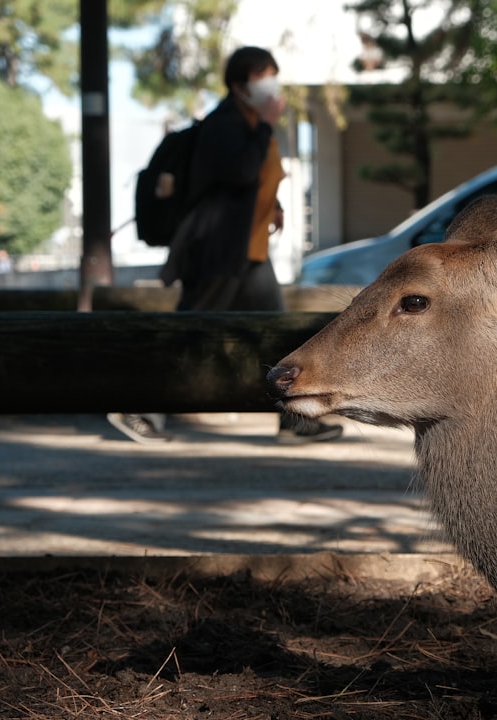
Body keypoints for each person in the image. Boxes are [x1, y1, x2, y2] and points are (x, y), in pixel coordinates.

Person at [110, 46, 341, 445]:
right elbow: (241, 171)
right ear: (239, 86)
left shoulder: (249, 123)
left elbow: (256, 180)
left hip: (249, 253)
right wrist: (266, 124)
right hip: (217, 252)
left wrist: (274, 206)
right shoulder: (224, 125)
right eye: (261, 76)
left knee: (277, 335)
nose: (270, 84)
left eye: (271, 74)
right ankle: (137, 407)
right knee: (190, 332)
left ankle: (296, 421)